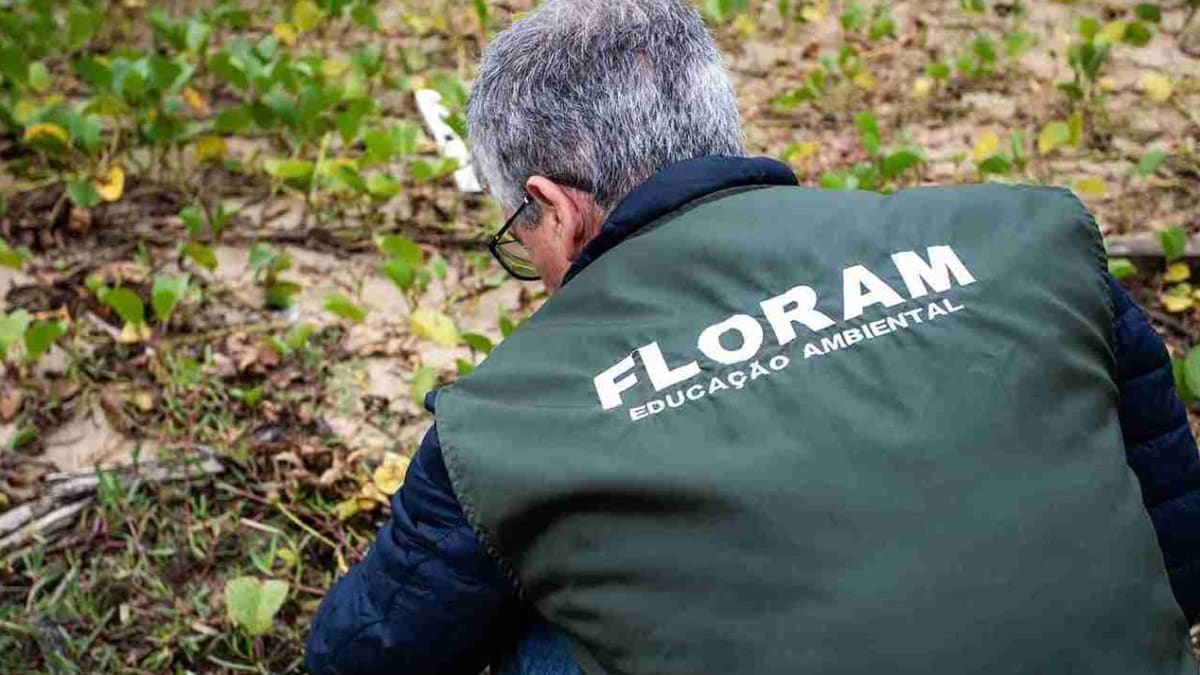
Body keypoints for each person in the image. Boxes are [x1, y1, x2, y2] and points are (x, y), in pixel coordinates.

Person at [305, 1, 1200, 673]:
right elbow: (1177, 549)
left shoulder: (504, 420)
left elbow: (364, 657)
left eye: (519, 233)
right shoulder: (1028, 241)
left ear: (552, 204)